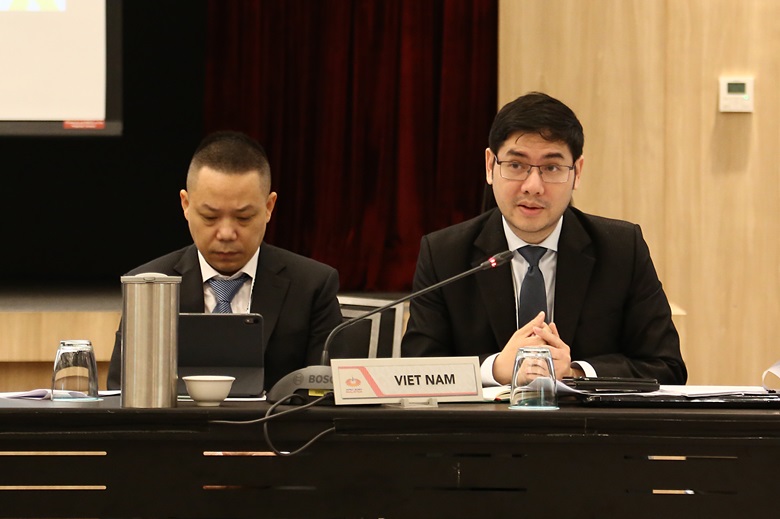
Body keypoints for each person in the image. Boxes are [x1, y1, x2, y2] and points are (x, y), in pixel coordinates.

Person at [401, 91, 687, 386]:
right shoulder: (445, 254)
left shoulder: (621, 250)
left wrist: (575, 372)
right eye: (516, 165)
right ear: (490, 166)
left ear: (577, 172)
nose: (533, 186)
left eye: (551, 168)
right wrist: (495, 369)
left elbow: (667, 368)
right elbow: (415, 371)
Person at [107, 130, 343, 391]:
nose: (227, 233)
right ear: (186, 204)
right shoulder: (148, 285)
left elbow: (327, 397)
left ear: (269, 207)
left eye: (243, 218)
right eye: (210, 217)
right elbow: (122, 394)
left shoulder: (312, 286)